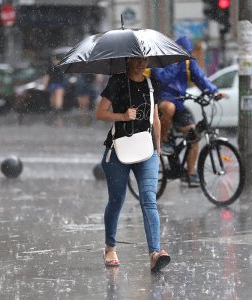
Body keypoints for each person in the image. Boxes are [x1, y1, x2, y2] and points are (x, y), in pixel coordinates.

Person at [95, 57, 171, 272]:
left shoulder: (151, 84)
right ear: (128, 59)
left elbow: (155, 118)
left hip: (146, 150)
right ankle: (110, 247)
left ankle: (155, 254)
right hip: (118, 150)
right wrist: (122, 115)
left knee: (149, 200)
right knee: (117, 200)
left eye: (144, 59)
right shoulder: (117, 81)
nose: (141, 63)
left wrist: (157, 147)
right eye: (137, 59)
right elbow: (99, 113)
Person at [150, 36, 224, 188]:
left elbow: (201, 78)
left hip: (179, 103)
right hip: (162, 102)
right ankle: (162, 141)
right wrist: (176, 62)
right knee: (169, 108)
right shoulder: (162, 60)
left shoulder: (188, 62)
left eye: (186, 54)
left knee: (194, 135)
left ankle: (190, 173)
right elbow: (164, 78)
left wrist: (213, 92)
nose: (185, 57)